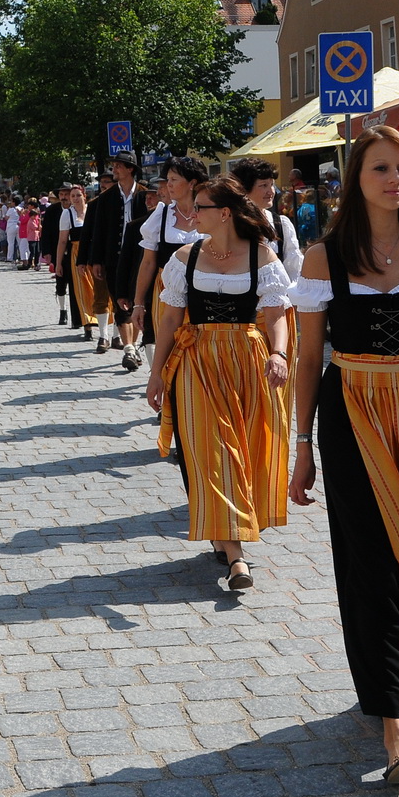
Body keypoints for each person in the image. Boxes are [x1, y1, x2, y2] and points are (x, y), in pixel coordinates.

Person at [288, 127, 399, 784]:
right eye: (381, 168)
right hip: (353, 411)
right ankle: (392, 722)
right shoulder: (322, 257)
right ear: (355, 177)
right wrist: (300, 446)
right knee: (372, 560)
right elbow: (308, 358)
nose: (396, 179)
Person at [145, 174, 292, 594]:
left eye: (201, 207)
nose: (191, 213)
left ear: (224, 213)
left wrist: (278, 353)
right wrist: (157, 374)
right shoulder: (184, 257)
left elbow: (277, 312)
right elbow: (170, 319)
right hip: (197, 360)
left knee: (243, 450)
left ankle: (227, 531)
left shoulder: (261, 256)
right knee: (211, 452)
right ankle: (236, 558)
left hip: (247, 360)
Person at [130, 157, 206, 361]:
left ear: (192, 183)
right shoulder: (161, 215)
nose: (168, 185)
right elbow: (147, 263)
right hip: (166, 290)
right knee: (170, 347)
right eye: (168, 179)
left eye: (174, 179)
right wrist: (138, 303)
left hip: (204, 288)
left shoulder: (211, 212)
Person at [83, 152, 150, 370]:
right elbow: (99, 231)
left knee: (138, 303)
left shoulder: (145, 194)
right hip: (114, 259)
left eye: (119, 166)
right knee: (120, 301)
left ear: (130, 169)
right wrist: (96, 260)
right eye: (114, 165)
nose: (115, 169)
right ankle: (129, 348)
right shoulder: (106, 198)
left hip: (142, 258)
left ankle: (135, 343)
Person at [232, 158, 304, 280]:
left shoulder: (281, 225)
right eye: (263, 185)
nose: (271, 191)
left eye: (272, 184)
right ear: (243, 189)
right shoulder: (229, 223)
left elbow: (294, 270)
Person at [60, 184, 107, 344]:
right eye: (72, 196)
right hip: (76, 253)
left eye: (78, 195)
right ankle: (87, 324)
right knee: (82, 290)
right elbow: (62, 240)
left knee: (98, 289)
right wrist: (58, 262)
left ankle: (103, 326)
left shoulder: (93, 211)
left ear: (84, 196)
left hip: (94, 252)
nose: (75, 199)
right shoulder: (67, 214)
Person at [43, 184, 70, 325]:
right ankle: (63, 311)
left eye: (67, 194)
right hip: (57, 251)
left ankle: (79, 315)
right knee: (60, 283)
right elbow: (46, 231)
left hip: (74, 252)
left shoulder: (77, 209)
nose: (64, 197)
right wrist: (46, 252)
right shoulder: (52, 210)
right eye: (62, 194)